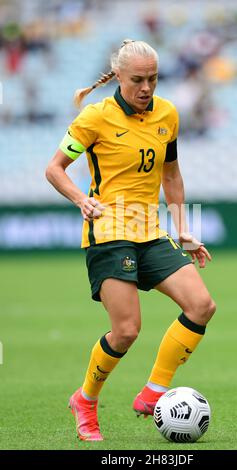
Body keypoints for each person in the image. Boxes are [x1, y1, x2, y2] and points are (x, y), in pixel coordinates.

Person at [45, 39, 216, 442]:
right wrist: (80, 198)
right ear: (117, 77)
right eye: (137, 79)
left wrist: (182, 227)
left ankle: (154, 392)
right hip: (108, 232)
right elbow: (54, 169)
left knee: (202, 305)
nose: (146, 88)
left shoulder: (167, 114)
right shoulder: (94, 118)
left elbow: (171, 174)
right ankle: (85, 400)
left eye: (153, 79)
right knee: (126, 331)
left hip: (150, 230)